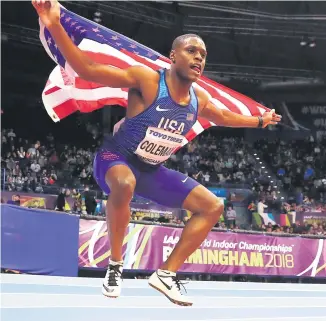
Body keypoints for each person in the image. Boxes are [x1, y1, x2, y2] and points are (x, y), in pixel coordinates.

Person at [33, 0, 282, 306]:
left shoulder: (198, 99)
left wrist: (259, 120)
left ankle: (165, 274)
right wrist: (54, 23)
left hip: (151, 172)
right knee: (125, 183)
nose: (199, 58)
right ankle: (115, 265)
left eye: (203, 55)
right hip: (116, 159)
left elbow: (225, 118)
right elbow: (88, 69)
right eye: (192, 51)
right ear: (173, 56)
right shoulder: (148, 80)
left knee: (212, 207)